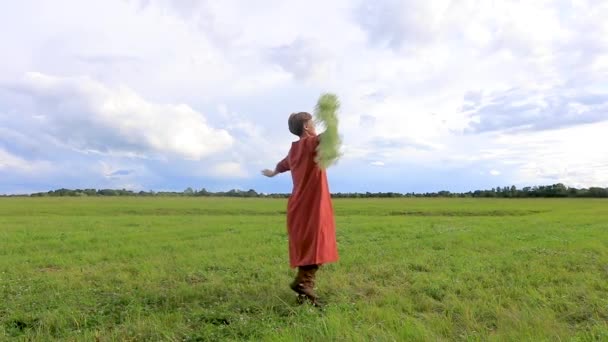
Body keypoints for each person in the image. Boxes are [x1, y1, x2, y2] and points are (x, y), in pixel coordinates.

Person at [261, 112, 339, 306]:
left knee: (308, 246)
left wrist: (273, 173)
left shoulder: (294, 150)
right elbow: (330, 136)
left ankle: (304, 296)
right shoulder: (311, 143)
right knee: (317, 245)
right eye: (313, 123)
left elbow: (283, 164)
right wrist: (331, 118)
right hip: (312, 205)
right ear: (306, 127)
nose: (315, 126)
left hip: (298, 205)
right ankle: (302, 284)